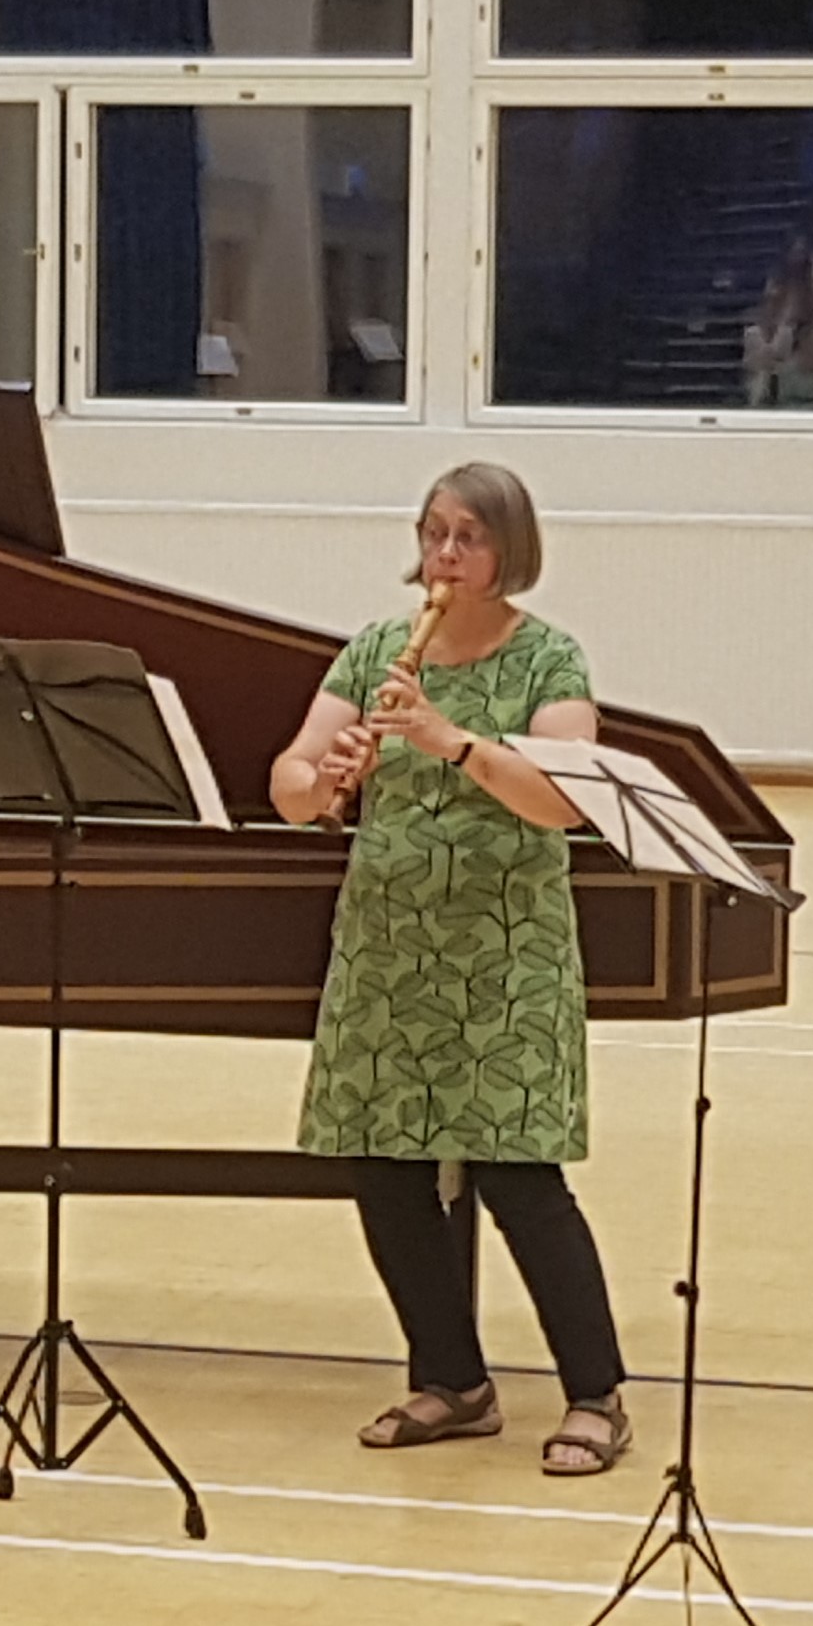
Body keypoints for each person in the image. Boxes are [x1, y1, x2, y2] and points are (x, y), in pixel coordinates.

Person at [270, 464, 634, 1479]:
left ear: (508, 547)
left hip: (503, 952)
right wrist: (322, 779)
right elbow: (288, 780)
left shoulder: (548, 660)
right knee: (382, 1167)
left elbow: (560, 802)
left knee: (518, 1172)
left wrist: (448, 740)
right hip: (386, 949)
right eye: (433, 532)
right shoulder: (374, 650)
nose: (443, 553)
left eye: (467, 536)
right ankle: (452, 1379)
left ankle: (595, 1394)